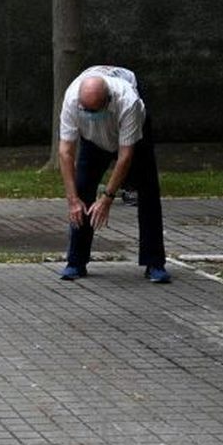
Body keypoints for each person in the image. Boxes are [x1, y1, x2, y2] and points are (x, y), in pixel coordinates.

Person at [56, 65, 170, 284]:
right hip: (92, 140)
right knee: (81, 188)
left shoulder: (129, 102)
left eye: (94, 111)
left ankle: (154, 262)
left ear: (107, 101)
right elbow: (65, 152)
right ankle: (76, 261)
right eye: (85, 110)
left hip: (131, 137)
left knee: (148, 191)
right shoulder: (72, 99)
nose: (89, 114)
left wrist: (107, 197)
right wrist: (72, 199)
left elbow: (125, 156)